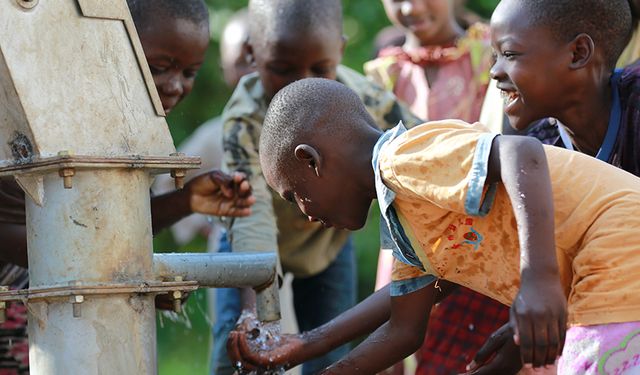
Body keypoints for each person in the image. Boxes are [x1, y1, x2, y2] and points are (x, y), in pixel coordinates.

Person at [227, 77, 640, 375]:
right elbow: (403, 329)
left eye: (294, 196)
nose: (305, 214)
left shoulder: (403, 158)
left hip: (615, 243)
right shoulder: (405, 214)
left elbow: (522, 152)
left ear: (312, 162)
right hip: (601, 264)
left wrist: (538, 279)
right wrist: (302, 348)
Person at [0, 1, 254, 372]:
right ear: (105, 46)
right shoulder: (41, 113)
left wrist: (186, 201)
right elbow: (55, 247)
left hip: (43, 299)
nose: (175, 86)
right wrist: (120, 279)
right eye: (157, 68)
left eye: (190, 72)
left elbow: (116, 228)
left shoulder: (125, 126)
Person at [214, 1, 422, 374]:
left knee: (329, 348)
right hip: (251, 243)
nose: (302, 82)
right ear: (252, 54)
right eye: (282, 69)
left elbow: (423, 146)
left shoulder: (365, 98)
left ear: (340, 51)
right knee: (239, 350)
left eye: (321, 68)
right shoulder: (244, 120)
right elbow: (250, 217)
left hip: (327, 243)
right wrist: (259, 312)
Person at [464, 0, 640, 373]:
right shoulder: (542, 150)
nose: (494, 72)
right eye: (494, 55)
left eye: (509, 54)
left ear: (578, 53)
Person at [365, 2, 505, 373]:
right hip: (402, 237)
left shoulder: (486, 54)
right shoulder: (387, 72)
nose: (411, 6)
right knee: (397, 346)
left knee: (466, 350)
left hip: (470, 232)